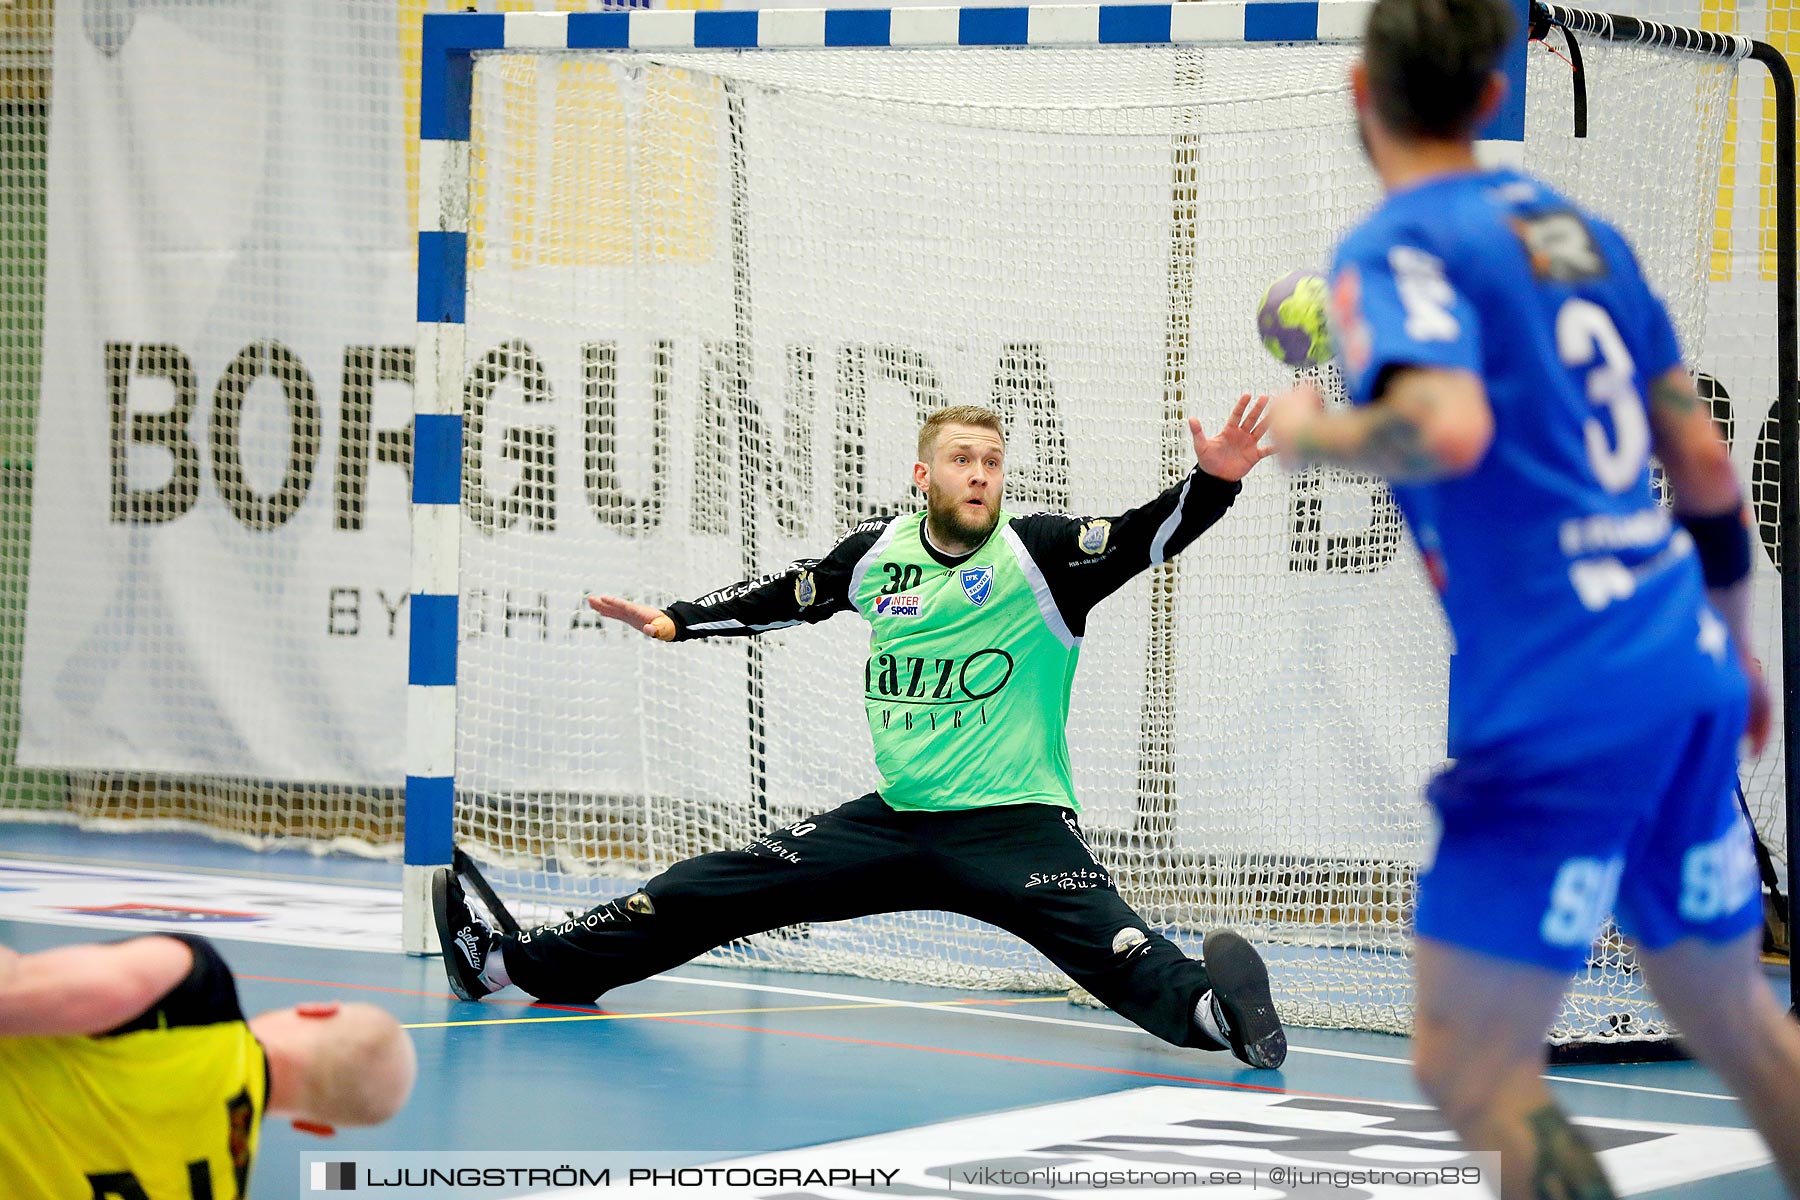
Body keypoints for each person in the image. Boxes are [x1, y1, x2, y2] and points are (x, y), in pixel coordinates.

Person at [1266, 0, 1800, 1193]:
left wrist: (1315, 426)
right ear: (1493, 98)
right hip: (1681, 671)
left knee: (1471, 1065)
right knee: (1742, 1026)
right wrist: (1735, 653)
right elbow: (1707, 466)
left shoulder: (1398, 246)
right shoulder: (1584, 241)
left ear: (1363, 94)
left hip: (1565, 698)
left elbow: (1440, 427)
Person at [435, 398, 1289, 1069]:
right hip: (894, 821)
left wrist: (1212, 481)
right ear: (925, 474)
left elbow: (1145, 536)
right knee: (707, 886)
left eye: (992, 462)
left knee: (1117, 946)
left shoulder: (1040, 556)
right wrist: (679, 620)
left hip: (1015, 822)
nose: (981, 474)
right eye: (963, 459)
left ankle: (1219, 1019)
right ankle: (507, 966)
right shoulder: (880, 555)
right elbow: (790, 593)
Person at [0, 932, 416, 1198]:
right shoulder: (225, 1185)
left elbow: (11, 988)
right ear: (314, 1127)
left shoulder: (190, 990)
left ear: (317, 1009)